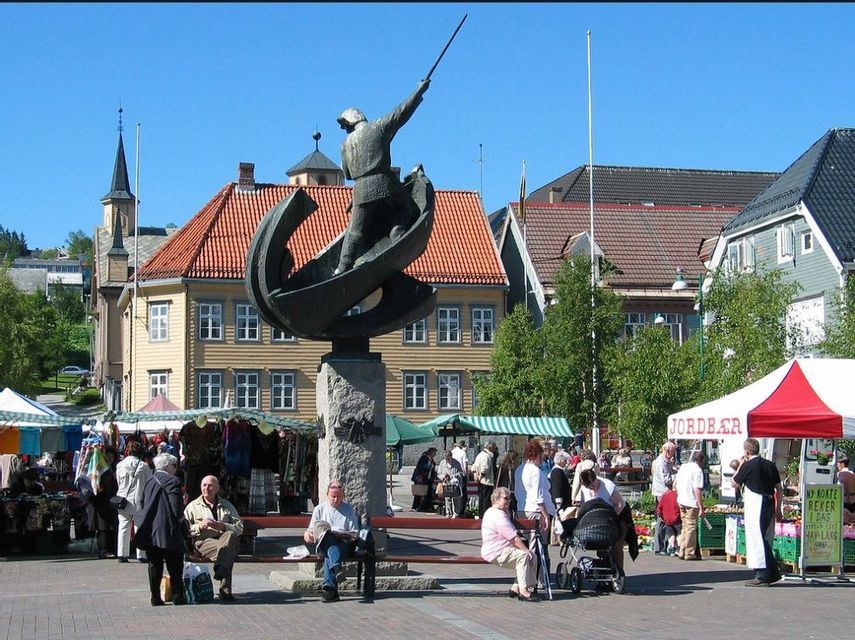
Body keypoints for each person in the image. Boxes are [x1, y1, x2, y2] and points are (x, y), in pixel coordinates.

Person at [335, 79, 431, 275]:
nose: (345, 131)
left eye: (345, 126)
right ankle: (397, 230)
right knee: (409, 207)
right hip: (384, 183)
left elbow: (348, 174)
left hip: (360, 189)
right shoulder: (377, 127)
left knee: (355, 231)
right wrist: (418, 91)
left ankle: (342, 267)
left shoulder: (344, 145)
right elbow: (402, 112)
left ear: (350, 123)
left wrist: (355, 198)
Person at [133, 453, 188, 606]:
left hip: (150, 529)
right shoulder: (173, 481)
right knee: (175, 563)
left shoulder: (149, 481)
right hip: (168, 529)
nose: (176, 469)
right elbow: (176, 508)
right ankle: (178, 595)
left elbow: (142, 502)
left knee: (154, 564)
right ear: (167, 466)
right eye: (174, 466)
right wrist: (183, 512)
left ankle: (155, 597)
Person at [732, 438, 784, 586]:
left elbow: (734, 482)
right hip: (769, 502)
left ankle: (763, 575)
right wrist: (778, 508)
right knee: (763, 537)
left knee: (757, 539)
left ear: (747, 451)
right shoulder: (770, 465)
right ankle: (772, 572)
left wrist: (741, 464)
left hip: (756, 504)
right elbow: (779, 489)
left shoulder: (748, 465)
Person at [184, 475, 244, 601]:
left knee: (229, 538)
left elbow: (239, 527)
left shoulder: (227, 505)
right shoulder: (192, 506)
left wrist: (223, 526)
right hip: (203, 542)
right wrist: (199, 526)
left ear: (217, 488)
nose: (207, 488)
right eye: (204, 485)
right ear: (200, 487)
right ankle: (225, 590)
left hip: (224, 540)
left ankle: (221, 568)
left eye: (210, 485)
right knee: (228, 551)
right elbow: (184, 529)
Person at [304, 480, 359, 603]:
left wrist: (344, 535)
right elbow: (310, 531)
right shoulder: (320, 509)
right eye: (333, 497)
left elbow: (355, 532)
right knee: (328, 537)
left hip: (344, 544)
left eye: (338, 497)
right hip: (325, 543)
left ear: (343, 495)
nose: (335, 500)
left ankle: (330, 590)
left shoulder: (348, 509)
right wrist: (308, 535)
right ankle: (337, 569)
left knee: (330, 552)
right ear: (327, 494)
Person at [480, 487, 539, 602]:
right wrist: (526, 550)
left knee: (530, 556)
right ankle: (524, 591)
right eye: (505, 499)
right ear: (496, 499)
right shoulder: (498, 515)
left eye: (510, 499)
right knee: (524, 556)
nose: (508, 501)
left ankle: (516, 588)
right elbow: (513, 538)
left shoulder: (495, 511)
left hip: (499, 549)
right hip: (496, 551)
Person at [577, 468, 629, 573]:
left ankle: (617, 572)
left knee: (616, 545)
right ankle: (603, 571)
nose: (592, 489)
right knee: (600, 546)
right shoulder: (584, 489)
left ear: (595, 479)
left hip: (611, 517)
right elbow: (583, 506)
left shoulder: (608, 486)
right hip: (594, 521)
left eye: (593, 485)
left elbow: (620, 504)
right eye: (589, 487)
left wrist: (611, 517)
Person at [115, 441, 154, 564]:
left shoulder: (120, 465)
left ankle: (122, 554)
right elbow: (149, 482)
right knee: (139, 526)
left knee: (123, 526)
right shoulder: (144, 466)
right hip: (138, 499)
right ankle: (141, 554)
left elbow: (118, 482)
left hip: (123, 499)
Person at [675, 450, 705, 561]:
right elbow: (697, 489)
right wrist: (701, 507)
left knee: (685, 526)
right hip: (691, 501)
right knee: (691, 527)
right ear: (701, 460)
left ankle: (681, 550)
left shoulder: (683, 467)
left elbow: (676, 483)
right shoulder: (698, 471)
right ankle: (689, 552)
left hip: (681, 499)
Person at [651, 441, 678, 554]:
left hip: (661, 493)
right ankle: (660, 546)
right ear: (667, 451)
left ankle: (663, 545)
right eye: (673, 453)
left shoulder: (662, 462)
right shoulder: (661, 463)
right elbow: (666, 480)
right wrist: (678, 475)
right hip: (662, 493)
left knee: (663, 519)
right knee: (662, 519)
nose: (673, 455)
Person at [93, 446, 119, 559]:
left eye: (111, 456)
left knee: (111, 526)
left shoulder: (114, 467)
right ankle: (103, 551)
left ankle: (111, 549)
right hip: (102, 500)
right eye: (107, 456)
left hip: (111, 501)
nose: (109, 458)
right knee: (103, 527)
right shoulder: (99, 469)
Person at [655, 478, 681, 556]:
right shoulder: (678, 495)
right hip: (677, 518)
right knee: (679, 534)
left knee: (671, 534)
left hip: (667, 519)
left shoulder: (665, 495)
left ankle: (672, 547)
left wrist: (661, 516)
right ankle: (678, 548)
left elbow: (659, 508)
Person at [472, 442, 498, 518]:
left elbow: (474, 467)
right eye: (494, 448)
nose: (494, 450)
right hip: (487, 481)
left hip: (480, 481)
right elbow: (485, 469)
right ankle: (485, 516)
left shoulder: (479, 455)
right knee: (486, 500)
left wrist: (475, 476)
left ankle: (481, 515)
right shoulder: (487, 456)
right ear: (489, 447)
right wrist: (480, 476)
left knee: (481, 499)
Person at [436, 449, 464, 518]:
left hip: (454, 483)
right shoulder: (442, 463)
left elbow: (460, 473)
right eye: (445, 458)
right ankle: (448, 513)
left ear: (451, 456)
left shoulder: (456, 463)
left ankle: (456, 513)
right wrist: (443, 477)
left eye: (448, 458)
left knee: (455, 498)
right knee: (447, 498)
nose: (447, 460)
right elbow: (439, 473)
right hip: (446, 483)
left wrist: (454, 476)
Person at [411, 447, 438, 512]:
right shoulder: (424, 458)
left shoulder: (431, 459)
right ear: (431, 452)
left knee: (427, 493)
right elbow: (420, 467)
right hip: (422, 479)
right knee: (419, 493)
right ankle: (416, 506)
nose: (435, 454)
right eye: (434, 452)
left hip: (429, 479)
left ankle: (426, 507)